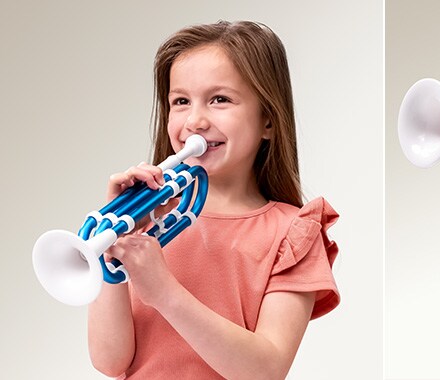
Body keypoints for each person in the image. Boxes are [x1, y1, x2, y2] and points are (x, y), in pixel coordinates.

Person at [87, 21, 340, 380]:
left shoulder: (294, 232)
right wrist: (111, 248)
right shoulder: (147, 219)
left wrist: (164, 292)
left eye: (220, 99)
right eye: (181, 101)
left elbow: (266, 370)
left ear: (268, 119)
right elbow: (109, 361)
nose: (195, 120)